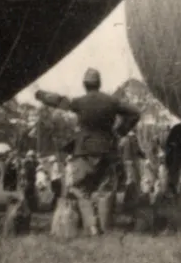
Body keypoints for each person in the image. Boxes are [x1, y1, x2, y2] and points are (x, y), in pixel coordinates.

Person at [35, 68, 140, 235]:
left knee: (79, 188)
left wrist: (41, 95)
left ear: (85, 85)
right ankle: (104, 227)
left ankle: (91, 225)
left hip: (83, 150)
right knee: (105, 189)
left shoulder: (80, 102)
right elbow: (135, 112)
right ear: (99, 84)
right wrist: (120, 131)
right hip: (107, 149)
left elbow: (60, 101)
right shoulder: (112, 102)